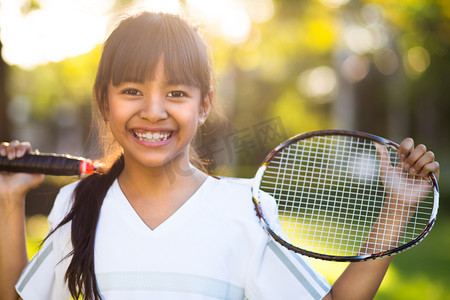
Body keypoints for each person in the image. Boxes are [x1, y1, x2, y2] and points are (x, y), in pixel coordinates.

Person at [0, 11, 440, 300]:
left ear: (204, 104)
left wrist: (397, 209)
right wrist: (8, 201)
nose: (153, 111)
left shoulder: (246, 208)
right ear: (104, 100)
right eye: (132, 91)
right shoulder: (75, 204)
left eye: (175, 93)